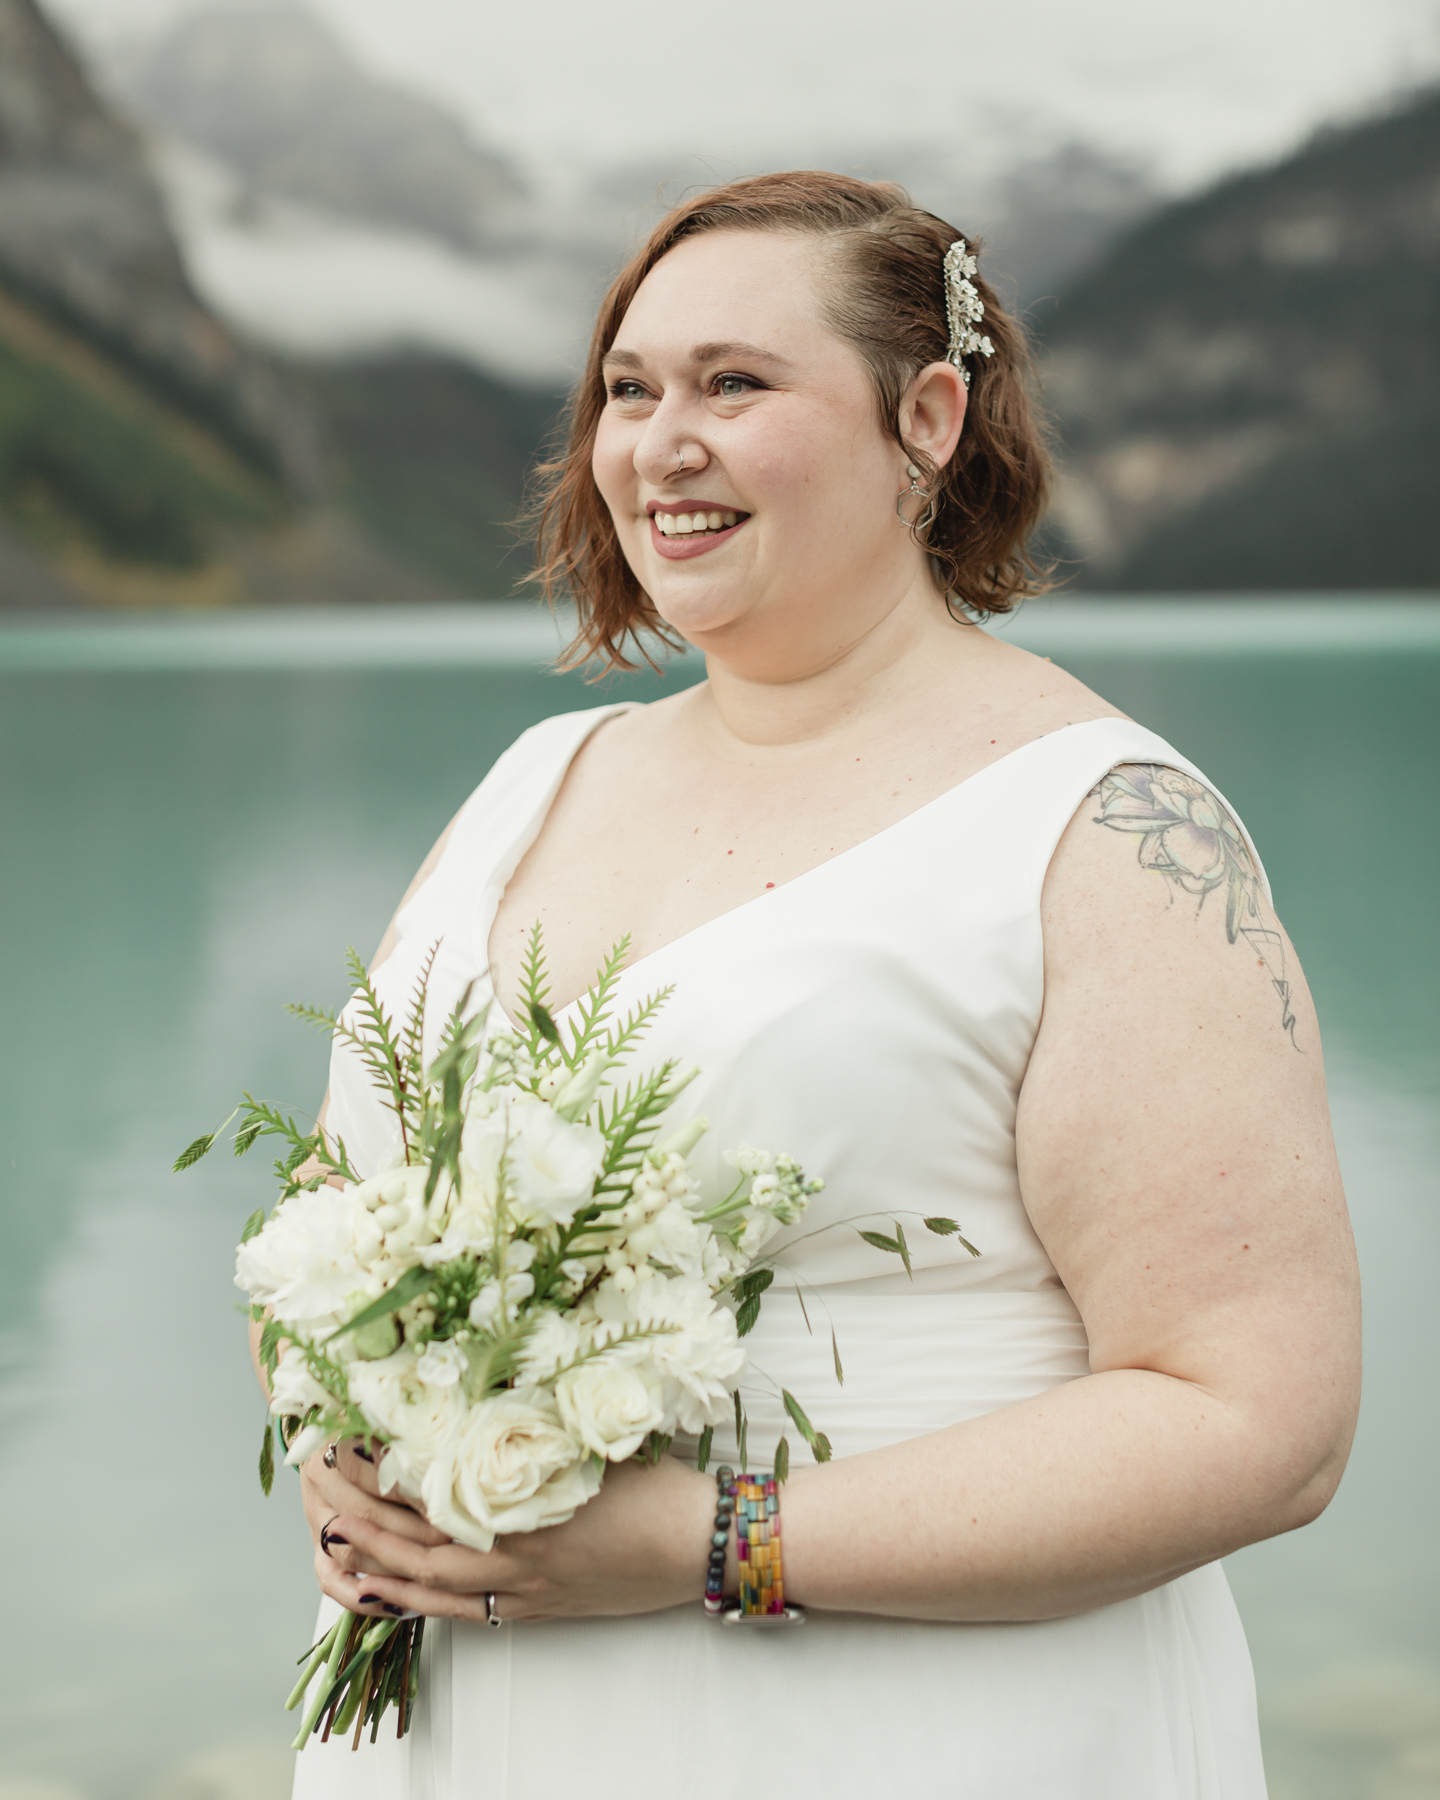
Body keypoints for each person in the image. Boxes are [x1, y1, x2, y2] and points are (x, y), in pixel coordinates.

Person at [278, 173, 1359, 1799]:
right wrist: (344, 1440)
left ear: (927, 417)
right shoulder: (531, 781)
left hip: (908, 1737)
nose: (660, 443)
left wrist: (719, 1542)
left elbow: (1261, 1423)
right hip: (474, 1722)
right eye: (628, 391)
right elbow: (332, 1199)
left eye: (735, 382)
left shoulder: (1109, 831)